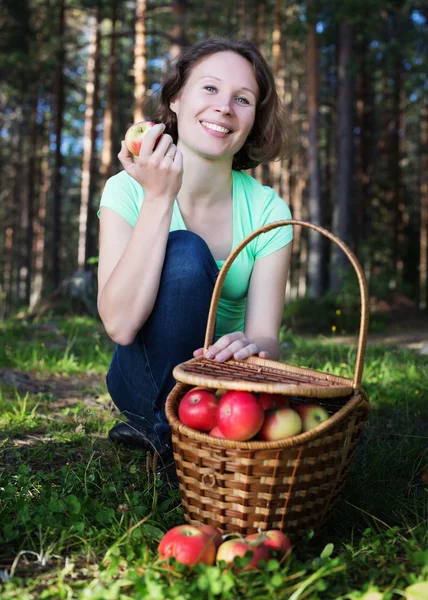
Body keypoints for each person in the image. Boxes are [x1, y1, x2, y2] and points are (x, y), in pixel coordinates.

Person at [96, 37, 293, 479]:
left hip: (222, 388)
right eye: (209, 89)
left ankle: (172, 435)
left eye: (242, 99)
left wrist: (253, 346)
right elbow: (119, 324)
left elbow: (267, 336)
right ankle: (171, 441)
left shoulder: (267, 210)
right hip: (142, 375)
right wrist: (159, 198)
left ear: (253, 119)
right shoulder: (125, 190)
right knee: (184, 250)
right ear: (176, 98)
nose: (224, 106)